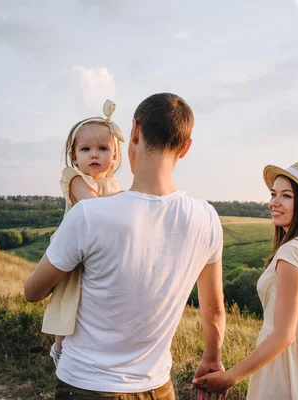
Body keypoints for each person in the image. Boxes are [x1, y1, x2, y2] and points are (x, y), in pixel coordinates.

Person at [24, 93, 227, 400]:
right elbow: (212, 310)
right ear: (185, 148)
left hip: (88, 387)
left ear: (133, 132)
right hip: (159, 387)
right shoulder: (207, 218)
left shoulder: (89, 214)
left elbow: (32, 292)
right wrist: (212, 358)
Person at [192, 162, 298, 400]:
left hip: (287, 367)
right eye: (273, 194)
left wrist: (231, 377)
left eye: (286, 196)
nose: (274, 203)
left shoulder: (292, 253)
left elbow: (284, 335)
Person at [41, 99, 124, 365]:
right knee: (68, 295)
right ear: (75, 157)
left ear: (114, 156)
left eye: (102, 148)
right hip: (72, 251)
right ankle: (60, 348)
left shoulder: (114, 185)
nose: (94, 155)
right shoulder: (77, 179)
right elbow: (92, 206)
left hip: (97, 252)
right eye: (86, 149)